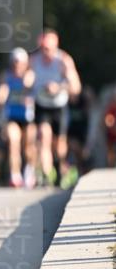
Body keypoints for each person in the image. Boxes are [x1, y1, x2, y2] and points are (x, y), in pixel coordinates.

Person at [30, 29, 81, 186]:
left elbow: (76, 87)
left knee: (59, 143)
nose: (46, 53)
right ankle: (47, 173)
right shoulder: (33, 60)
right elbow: (25, 78)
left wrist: (58, 87)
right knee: (43, 136)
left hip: (59, 105)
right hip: (41, 104)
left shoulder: (63, 60)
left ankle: (60, 167)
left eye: (48, 49)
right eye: (43, 49)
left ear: (55, 46)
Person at [0, 48, 36, 188]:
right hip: (12, 117)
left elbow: (29, 83)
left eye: (20, 63)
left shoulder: (29, 74)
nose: (17, 65)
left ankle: (29, 170)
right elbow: (2, 93)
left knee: (28, 146)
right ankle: (15, 174)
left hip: (27, 118)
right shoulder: (6, 76)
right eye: (15, 62)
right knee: (14, 142)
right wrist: (2, 96)